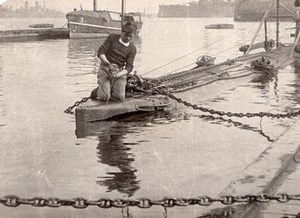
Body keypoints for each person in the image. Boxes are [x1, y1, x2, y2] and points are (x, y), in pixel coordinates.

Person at [90, 21, 137, 102]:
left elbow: (129, 67)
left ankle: (108, 87)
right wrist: (108, 64)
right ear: (122, 33)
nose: (128, 38)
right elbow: (101, 52)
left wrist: (118, 74)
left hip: (119, 71)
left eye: (131, 36)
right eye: (126, 35)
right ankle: (97, 92)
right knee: (105, 96)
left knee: (119, 97)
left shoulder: (132, 48)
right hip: (105, 68)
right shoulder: (112, 38)